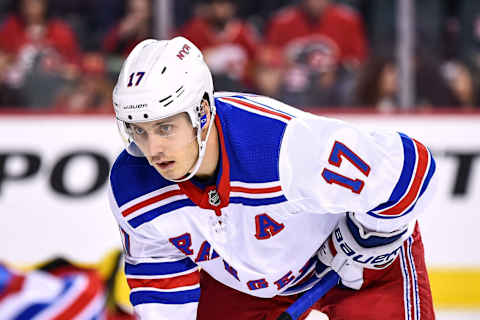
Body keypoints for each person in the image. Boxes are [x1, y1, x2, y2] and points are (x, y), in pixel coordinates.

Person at [108, 37, 437, 319]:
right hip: (246, 286)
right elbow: (160, 289)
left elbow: (411, 169)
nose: (153, 149)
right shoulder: (133, 188)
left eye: (165, 128)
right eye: (139, 131)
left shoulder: (280, 147)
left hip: (362, 272)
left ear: (203, 113)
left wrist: (369, 236)